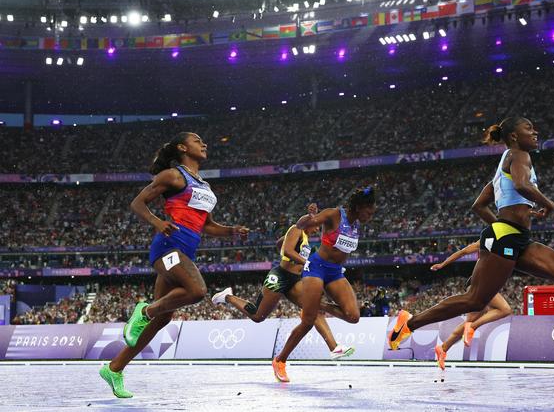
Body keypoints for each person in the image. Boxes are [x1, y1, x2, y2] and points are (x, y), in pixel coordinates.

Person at [388, 117, 554, 366]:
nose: (535, 132)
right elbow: (521, 184)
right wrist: (547, 204)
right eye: (529, 128)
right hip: (506, 236)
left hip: (516, 237)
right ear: (515, 137)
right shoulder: (519, 155)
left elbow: (479, 205)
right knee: (475, 300)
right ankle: (409, 323)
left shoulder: (503, 166)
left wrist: (500, 224)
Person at [99, 132, 249, 398]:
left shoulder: (203, 185)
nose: (204, 143)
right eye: (197, 140)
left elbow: (209, 226)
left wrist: (232, 231)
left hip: (183, 252)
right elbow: (138, 203)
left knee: (163, 318)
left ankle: (115, 368)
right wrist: (158, 222)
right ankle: (143, 311)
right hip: (168, 247)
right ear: (182, 147)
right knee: (197, 291)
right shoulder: (173, 175)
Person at [211, 203, 355, 360]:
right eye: (315, 225)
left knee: (312, 311)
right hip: (281, 276)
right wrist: (308, 218)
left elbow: (281, 245)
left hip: (295, 281)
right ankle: (227, 297)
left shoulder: (307, 241)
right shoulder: (296, 229)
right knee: (257, 316)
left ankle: (334, 348)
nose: (316, 229)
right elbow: (287, 250)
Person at [272, 187, 377, 382]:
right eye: (369, 212)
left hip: (335, 272)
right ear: (359, 207)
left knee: (353, 316)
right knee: (308, 321)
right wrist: (308, 216)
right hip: (316, 268)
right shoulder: (333, 214)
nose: (370, 217)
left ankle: (315, 304)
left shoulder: (356, 225)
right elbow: (302, 225)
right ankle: (280, 360)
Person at [430, 241, 512, 370]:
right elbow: (463, 252)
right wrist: (442, 264)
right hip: (482, 281)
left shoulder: (513, 241)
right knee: (505, 309)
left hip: (481, 282)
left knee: (470, 320)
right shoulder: (489, 239)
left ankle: (443, 348)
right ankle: (472, 327)